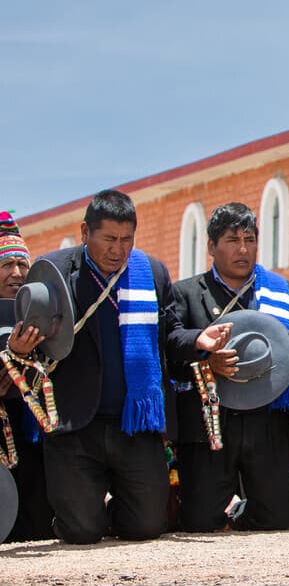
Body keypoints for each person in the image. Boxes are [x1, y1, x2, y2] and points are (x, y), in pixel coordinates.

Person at [26, 190, 227, 543]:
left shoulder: (150, 272)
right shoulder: (54, 272)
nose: (118, 249)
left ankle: (110, 512)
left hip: (134, 423)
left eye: (126, 239)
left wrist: (198, 341)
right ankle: (81, 512)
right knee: (81, 531)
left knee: (146, 527)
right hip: (75, 424)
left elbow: (171, 335)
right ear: (85, 232)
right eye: (109, 239)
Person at [171, 203, 289, 532]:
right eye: (232, 240)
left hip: (267, 416)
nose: (243, 249)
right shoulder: (186, 293)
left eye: (250, 239)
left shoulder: (279, 290)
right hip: (211, 421)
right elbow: (172, 344)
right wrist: (206, 360)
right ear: (211, 247)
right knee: (200, 522)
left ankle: (241, 513)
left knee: (278, 519)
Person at [0, 211, 55, 542]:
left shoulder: (41, 312)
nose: (17, 273)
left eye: (23, 265)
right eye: (7, 265)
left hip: (31, 427)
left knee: (34, 516)